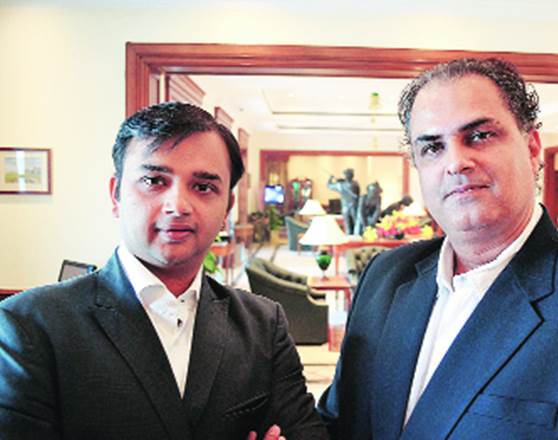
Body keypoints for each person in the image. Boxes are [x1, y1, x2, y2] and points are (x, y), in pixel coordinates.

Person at [317, 58, 558, 438]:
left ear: (532, 147)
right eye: (432, 147)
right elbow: (338, 423)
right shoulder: (385, 277)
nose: (456, 163)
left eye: (479, 136)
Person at [0, 102, 328, 440]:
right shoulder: (30, 325)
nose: (177, 206)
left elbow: (308, 433)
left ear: (227, 208)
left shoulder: (262, 324)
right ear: (116, 195)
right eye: (154, 181)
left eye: (203, 187)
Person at [327, 168, 360, 235]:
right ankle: (355, 235)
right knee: (355, 223)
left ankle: (350, 236)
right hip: (353, 206)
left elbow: (329, 185)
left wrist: (330, 178)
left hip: (346, 206)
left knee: (348, 224)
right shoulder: (355, 183)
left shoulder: (341, 185)